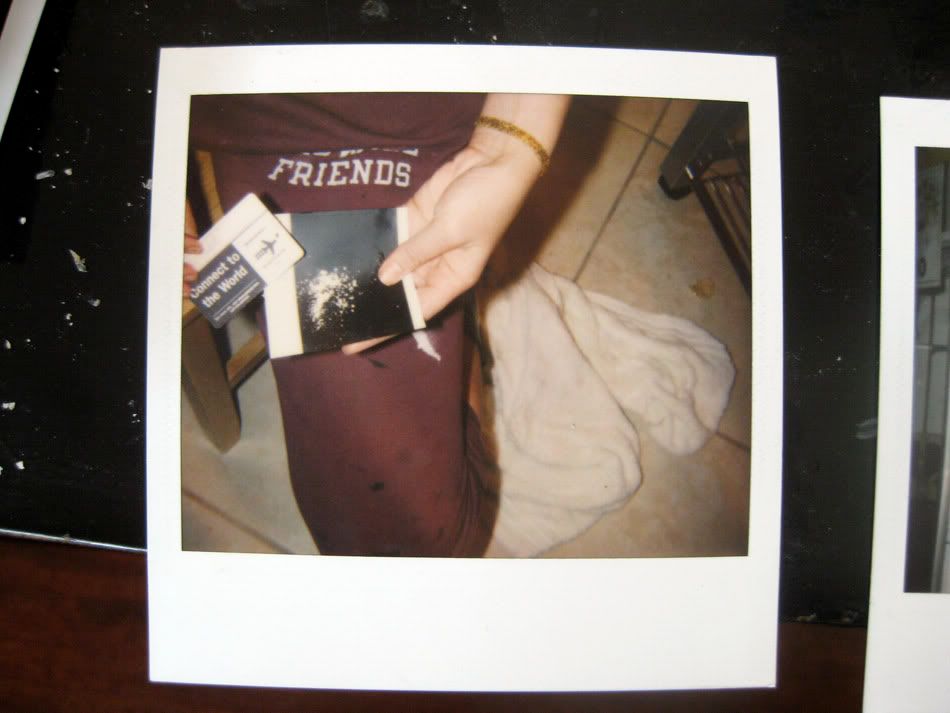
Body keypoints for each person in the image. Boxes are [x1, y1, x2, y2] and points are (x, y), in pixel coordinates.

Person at [184, 92, 569, 556]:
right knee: (388, 541)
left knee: (430, 544)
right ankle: (458, 325)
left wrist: (505, 151)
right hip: (271, 124)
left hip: (432, 109)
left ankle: (456, 318)